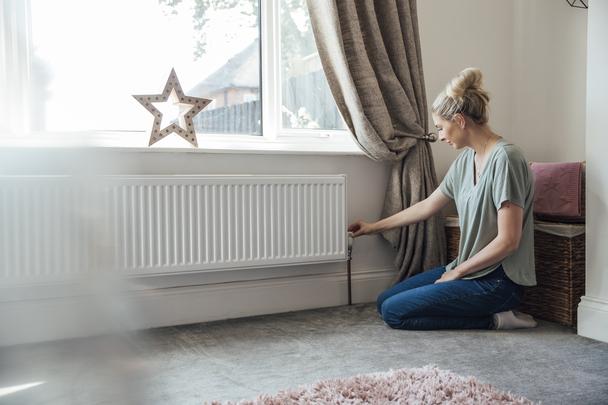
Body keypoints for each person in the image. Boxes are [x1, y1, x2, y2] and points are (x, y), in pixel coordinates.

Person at [348, 67, 537, 331]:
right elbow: (428, 205)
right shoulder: (464, 161)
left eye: (441, 127)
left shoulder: (506, 159)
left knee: (394, 313)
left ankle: (497, 319)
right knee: (384, 301)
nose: (440, 136)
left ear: (459, 120)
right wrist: (372, 227)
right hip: (468, 269)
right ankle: (484, 306)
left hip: (497, 281)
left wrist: (457, 273)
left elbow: (509, 241)